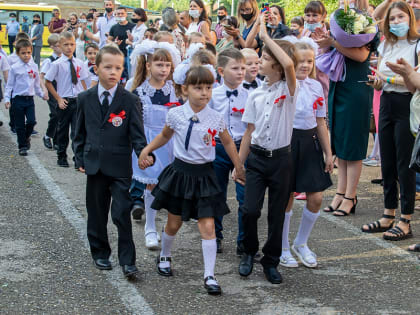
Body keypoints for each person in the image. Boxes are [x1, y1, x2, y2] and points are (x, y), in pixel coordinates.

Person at [138, 65, 245, 295]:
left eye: (208, 87)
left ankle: (209, 275)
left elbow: (227, 141)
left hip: (205, 175)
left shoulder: (216, 118)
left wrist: (238, 165)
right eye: (198, 88)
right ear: (185, 90)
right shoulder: (176, 114)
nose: (204, 93)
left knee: (207, 226)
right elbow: (164, 135)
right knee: (174, 223)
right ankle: (165, 256)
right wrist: (147, 149)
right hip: (181, 174)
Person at [73, 45, 154, 279]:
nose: (113, 72)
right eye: (107, 67)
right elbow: (78, 133)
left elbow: (138, 136)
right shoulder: (85, 98)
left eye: (118, 68)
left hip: (120, 167)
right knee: (97, 213)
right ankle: (100, 252)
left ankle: (128, 261)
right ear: (96, 68)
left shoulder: (129, 100)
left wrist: (144, 153)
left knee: (121, 213)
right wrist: (79, 157)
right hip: (95, 165)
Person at [237, 14, 297, 285]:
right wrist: (240, 164)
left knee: (276, 213)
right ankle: (249, 252)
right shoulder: (255, 94)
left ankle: (270, 261)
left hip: (281, 160)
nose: (259, 61)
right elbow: (249, 132)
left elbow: (288, 63)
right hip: (258, 160)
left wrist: (266, 37)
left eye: (264, 57)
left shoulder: (289, 88)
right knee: (250, 210)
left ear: (277, 65)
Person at [361, 1, 417, 240]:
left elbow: (415, 84)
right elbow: (381, 78)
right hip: (386, 103)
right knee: (388, 162)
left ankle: (406, 220)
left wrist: (396, 78)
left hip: (407, 105)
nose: (396, 22)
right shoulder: (386, 45)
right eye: (392, 19)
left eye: (400, 17)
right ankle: (388, 214)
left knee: (404, 164)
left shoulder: (416, 44)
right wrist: (378, 82)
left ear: (410, 19)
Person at [316, 1, 378, 217]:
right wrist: (324, 40)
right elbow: (329, 49)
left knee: (353, 146)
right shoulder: (340, 20)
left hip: (356, 88)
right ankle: (340, 192)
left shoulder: (368, 24)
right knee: (340, 144)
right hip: (338, 85)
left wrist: (333, 41)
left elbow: (361, 56)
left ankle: (351, 195)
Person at [279, 38, 333, 269]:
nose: (305, 65)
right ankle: (282, 247)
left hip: (310, 143)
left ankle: (301, 243)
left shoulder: (315, 86)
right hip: (288, 142)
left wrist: (329, 153)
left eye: (309, 61)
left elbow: (321, 122)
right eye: (300, 61)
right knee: (287, 196)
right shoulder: (284, 85)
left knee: (316, 196)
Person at [128, 46, 178, 250]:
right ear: (148, 65)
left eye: (167, 65)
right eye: (159, 64)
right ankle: (150, 227)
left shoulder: (176, 89)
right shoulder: (138, 92)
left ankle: (168, 229)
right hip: (149, 143)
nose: (164, 69)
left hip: (172, 143)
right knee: (151, 184)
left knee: (169, 187)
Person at [208, 48, 247, 255]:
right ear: (221, 71)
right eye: (235, 68)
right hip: (218, 148)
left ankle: (244, 241)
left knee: (245, 195)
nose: (241, 72)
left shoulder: (249, 95)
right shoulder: (212, 95)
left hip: (242, 148)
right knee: (217, 193)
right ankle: (216, 235)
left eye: (243, 68)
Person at [45, 32, 89, 168]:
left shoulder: (79, 63)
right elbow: (48, 81)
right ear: (59, 46)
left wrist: (86, 97)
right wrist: (58, 98)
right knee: (62, 130)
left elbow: (83, 81)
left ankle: (78, 159)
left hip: (77, 101)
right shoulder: (57, 64)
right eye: (66, 45)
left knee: (77, 131)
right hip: (64, 101)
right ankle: (62, 156)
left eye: (72, 44)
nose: (69, 47)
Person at [4, 39, 48, 156]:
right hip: (18, 99)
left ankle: (26, 137)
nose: (26, 55)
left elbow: (36, 84)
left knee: (31, 121)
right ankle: (22, 146)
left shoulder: (34, 66)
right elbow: (9, 86)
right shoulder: (14, 68)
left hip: (29, 100)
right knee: (19, 125)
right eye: (23, 53)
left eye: (28, 52)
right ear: (18, 54)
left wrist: (42, 94)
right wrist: (7, 99)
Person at [302, 1, 330, 105]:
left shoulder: (328, 35)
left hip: (321, 82)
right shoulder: (305, 32)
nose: (310, 19)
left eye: (314, 15)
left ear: (323, 16)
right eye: (308, 15)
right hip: (304, 81)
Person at [40, 34, 62, 151]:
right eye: (58, 46)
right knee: (55, 114)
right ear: (52, 47)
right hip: (52, 90)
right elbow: (41, 76)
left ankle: (57, 140)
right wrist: (44, 89)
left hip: (63, 90)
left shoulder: (65, 59)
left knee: (61, 115)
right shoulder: (49, 61)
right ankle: (48, 136)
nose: (61, 48)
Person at [108, 7, 135, 83]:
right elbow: (108, 40)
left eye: (122, 13)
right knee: (119, 77)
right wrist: (114, 43)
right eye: (118, 14)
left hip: (130, 55)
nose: (120, 15)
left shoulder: (133, 26)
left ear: (126, 14)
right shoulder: (114, 27)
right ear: (115, 15)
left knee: (130, 76)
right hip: (118, 56)